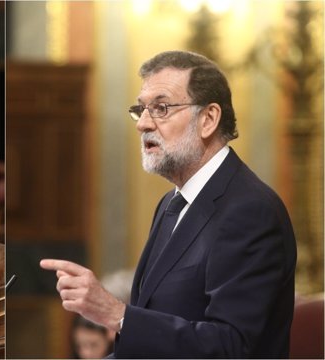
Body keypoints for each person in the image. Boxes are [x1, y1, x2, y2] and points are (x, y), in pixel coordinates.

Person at [41, 51, 296, 358]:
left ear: (208, 119)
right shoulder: (170, 204)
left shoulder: (251, 211)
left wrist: (118, 315)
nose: (143, 124)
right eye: (141, 109)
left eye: (161, 108)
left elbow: (231, 347)